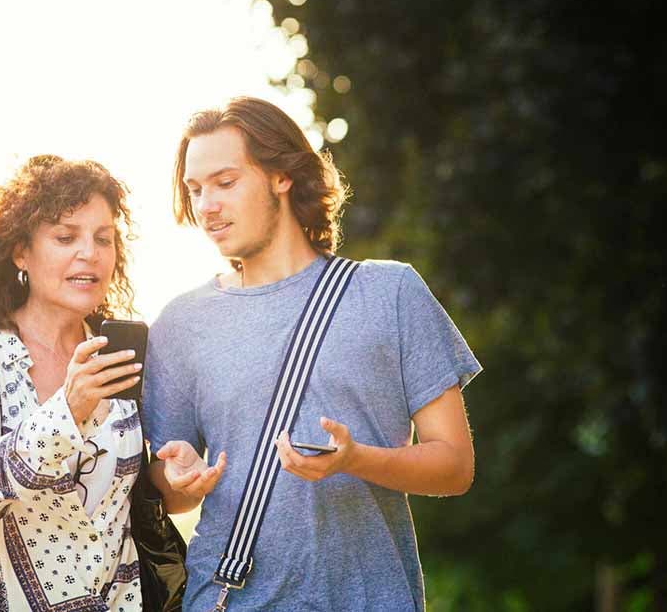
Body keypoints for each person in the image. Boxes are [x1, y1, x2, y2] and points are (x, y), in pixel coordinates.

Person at [142, 97, 482, 611]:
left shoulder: (389, 293)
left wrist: (357, 460)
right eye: (195, 189)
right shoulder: (180, 324)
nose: (206, 205)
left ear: (282, 175)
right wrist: (177, 475)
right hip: (230, 599)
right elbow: (168, 493)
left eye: (226, 182)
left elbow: (455, 466)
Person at [0, 155, 145, 612]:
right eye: (65, 237)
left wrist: (176, 481)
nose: (89, 253)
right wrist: (67, 413)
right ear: (21, 252)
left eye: (103, 238)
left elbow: (128, 507)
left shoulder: (122, 355)